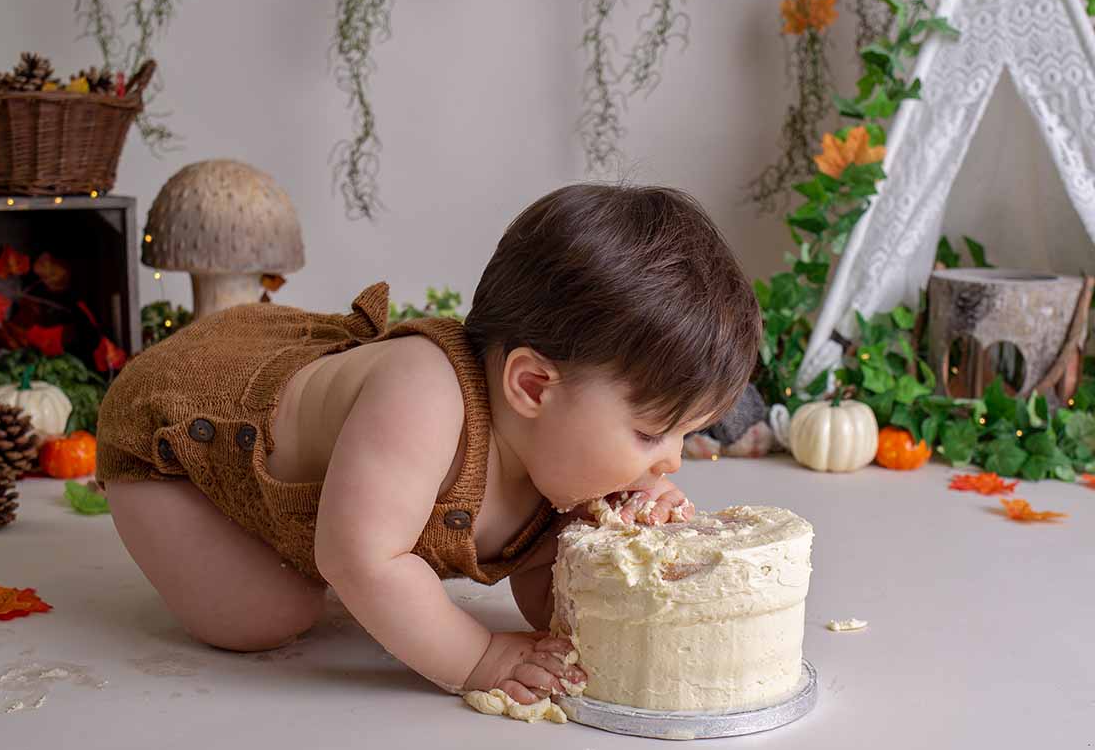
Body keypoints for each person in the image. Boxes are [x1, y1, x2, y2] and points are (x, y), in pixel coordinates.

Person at [95, 181, 761, 706]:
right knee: (269, 614)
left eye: (682, 436)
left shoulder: (554, 460)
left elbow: (541, 599)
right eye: (650, 433)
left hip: (314, 474)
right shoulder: (424, 396)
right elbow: (357, 559)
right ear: (532, 384)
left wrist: (608, 539)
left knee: (360, 577)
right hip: (181, 443)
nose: (669, 462)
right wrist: (477, 658)